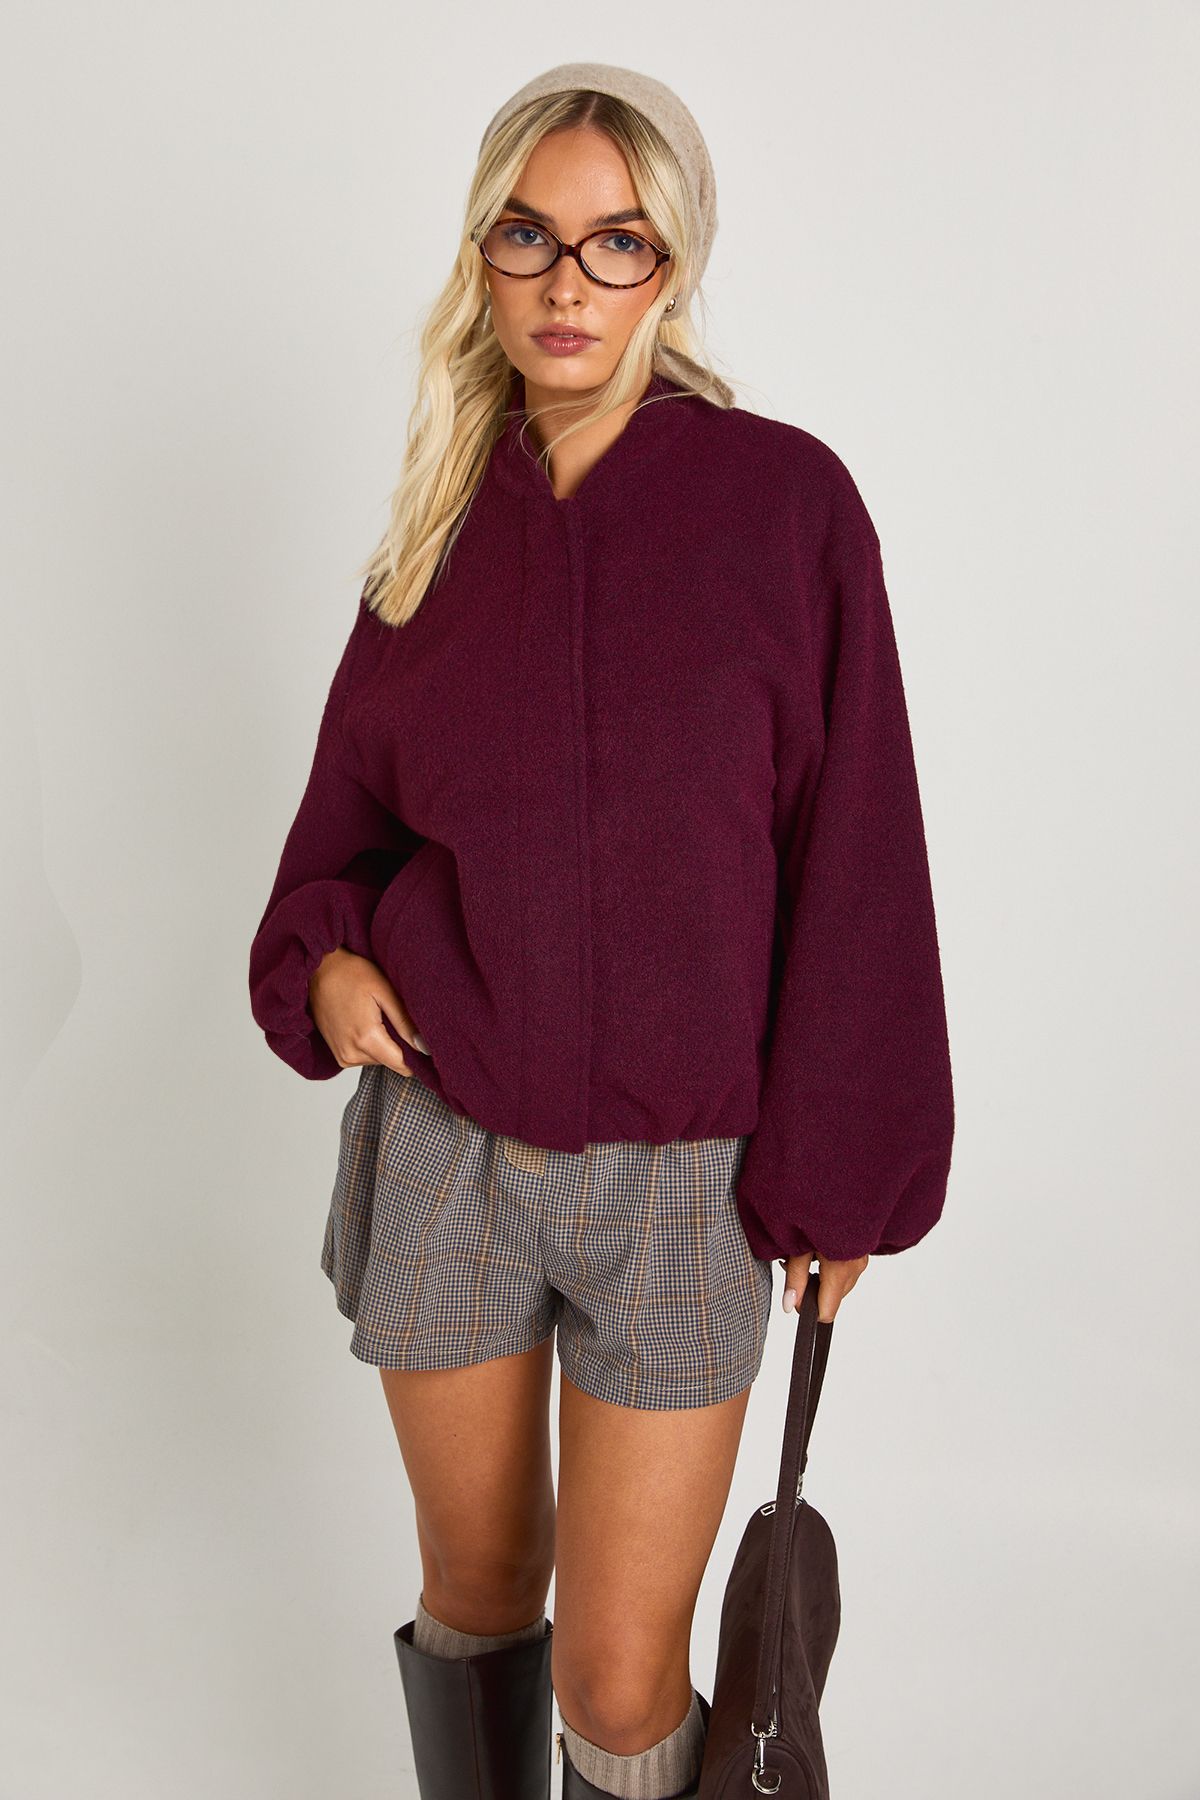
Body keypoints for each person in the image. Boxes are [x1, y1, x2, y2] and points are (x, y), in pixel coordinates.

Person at [247, 60, 955, 1800]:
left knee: (623, 1679)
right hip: (446, 1142)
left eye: (616, 242)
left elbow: (859, 845)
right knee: (480, 1596)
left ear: (673, 264)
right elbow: (346, 834)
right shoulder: (435, 528)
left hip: (685, 1183)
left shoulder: (785, 507)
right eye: (529, 237)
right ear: (481, 258)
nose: (568, 282)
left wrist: (846, 1169)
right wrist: (328, 964)